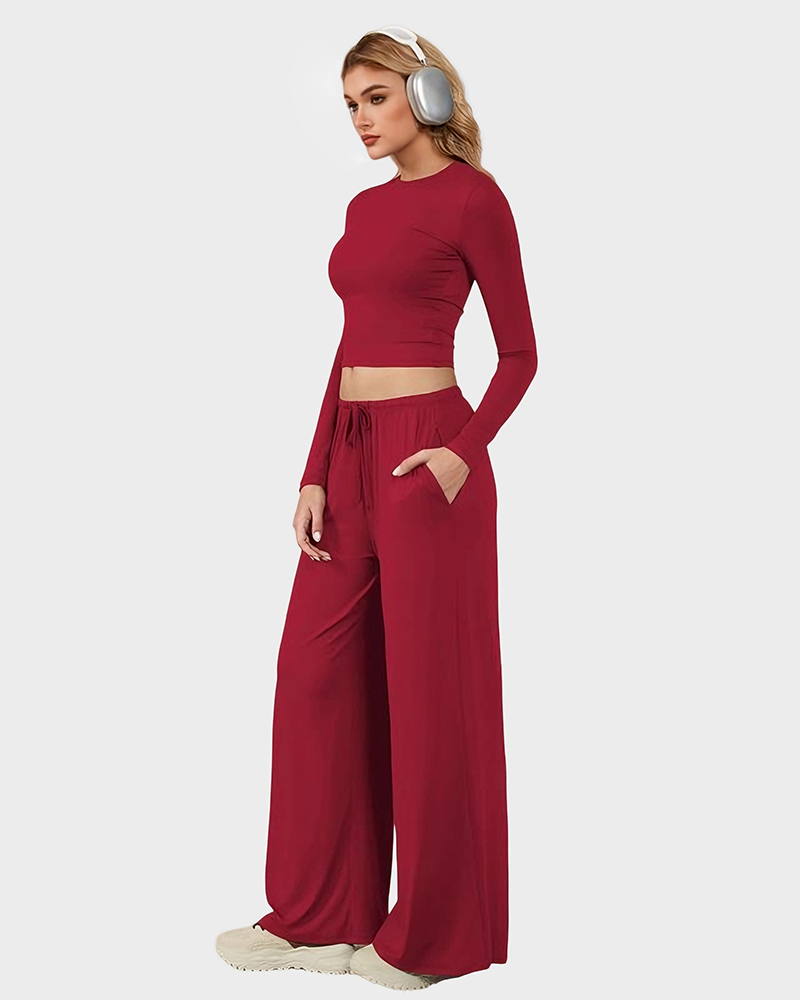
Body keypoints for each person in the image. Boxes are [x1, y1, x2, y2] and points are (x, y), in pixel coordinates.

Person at [215, 25, 538, 991]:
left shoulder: (475, 199)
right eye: (350, 104)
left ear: (425, 94)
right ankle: (321, 916)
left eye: (375, 98)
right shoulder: (363, 209)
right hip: (350, 455)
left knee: (430, 696)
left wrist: (460, 454)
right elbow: (349, 345)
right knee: (314, 675)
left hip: (427, 456)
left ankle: (430, 937)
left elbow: (520, 354)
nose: (359, 119)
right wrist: (315, 469)